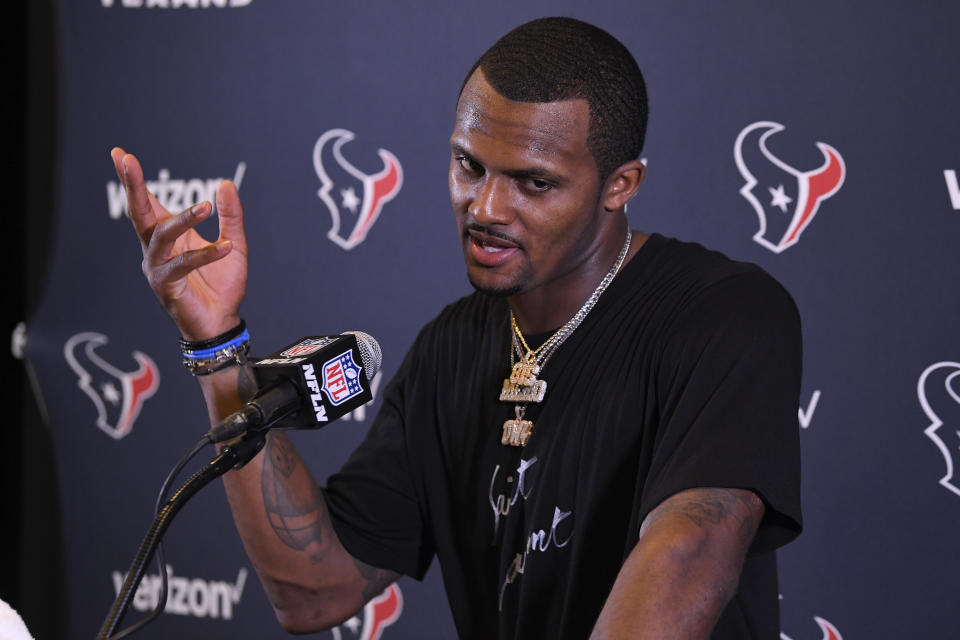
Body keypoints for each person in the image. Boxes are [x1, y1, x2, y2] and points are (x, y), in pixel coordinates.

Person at [112, 17, 801, 640]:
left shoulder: (725, 314)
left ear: (620, 185)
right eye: (469, 166)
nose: (486, 207)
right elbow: (313, 592)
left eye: (534, 183)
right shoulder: (453, 346)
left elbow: (688, 553)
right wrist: (218, 346)